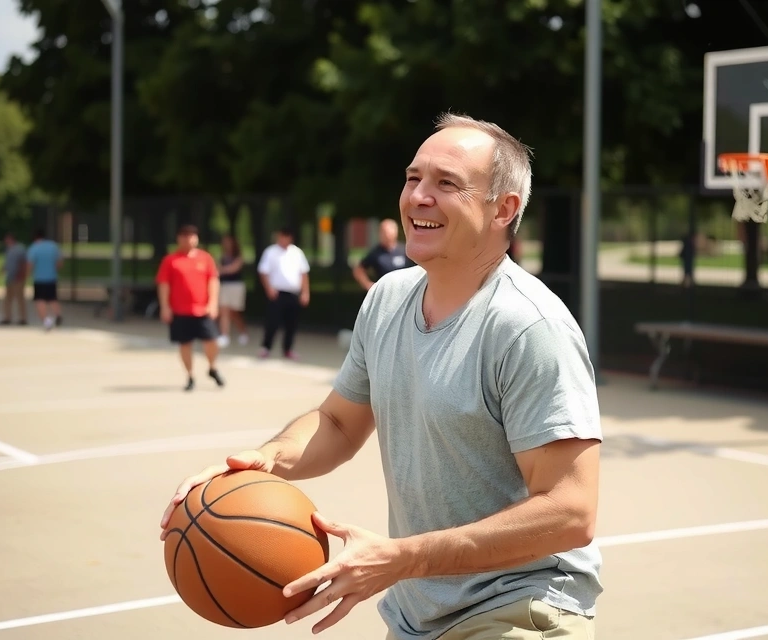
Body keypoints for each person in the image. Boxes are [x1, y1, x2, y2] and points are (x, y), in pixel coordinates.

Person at [160, 113, 603, 639]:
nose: (418, 196)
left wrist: (402, 558)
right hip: (418, 616)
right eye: (414, 178)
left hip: (518, 608)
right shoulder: (388, 299)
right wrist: (266, 461)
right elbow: (339, 423)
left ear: (503, 209)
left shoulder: (529, 327)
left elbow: (569, 512)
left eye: (446, 183)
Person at [155, 224, 225, 391]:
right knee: (185, 344)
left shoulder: (205, 258)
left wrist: (213, 303)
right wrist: (165, 306)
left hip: (202, 310)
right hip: (180, 310)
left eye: (192, 235)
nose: (189, 239)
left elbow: (213, 281)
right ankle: (190, 376)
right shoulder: (170, 260)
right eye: (185, 235)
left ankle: (212, 367)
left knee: (212, 341)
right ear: (179, 238)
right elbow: (163, 284)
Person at [256, 227, 310, 359]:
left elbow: (303, 274)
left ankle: (288, 349)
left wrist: (305, 292)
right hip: (277, 292)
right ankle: (266, 347)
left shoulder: (297, 253)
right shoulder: (270, 252)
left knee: (292, 323)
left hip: (293, 293)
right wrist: (268, 288)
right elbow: (264, 272)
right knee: (272, 321)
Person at [352, 218, 412, 290]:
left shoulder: (405, 250)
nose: (386, 235)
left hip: (404, 290)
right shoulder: (376, 253)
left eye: (388, 232)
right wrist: (368, 285)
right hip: (384, 292)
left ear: (395, 232)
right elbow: (359, 269)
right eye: (383, 232)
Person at [25, 229, 63, 330]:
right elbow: (59, 263)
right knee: (52, 298)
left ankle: (46, 321)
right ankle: (57, 314)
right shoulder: (53, 246)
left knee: (40, 300)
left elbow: (30, 264)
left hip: (39, 278)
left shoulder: (34, 248)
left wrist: (28, 275)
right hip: (51, 277)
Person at [215, 234, 249, 347]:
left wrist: (220, 270)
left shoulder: (238, 257)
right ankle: (224, 335)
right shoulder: (222, 256)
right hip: (224, 285)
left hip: (236, 286)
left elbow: (233, 269)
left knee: (234, 312)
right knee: (224, 309)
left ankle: (243, 332)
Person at [0, 232, 28, 325]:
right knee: (8, 298)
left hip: (18, 277)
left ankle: (23, 318)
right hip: (10, 277)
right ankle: (7, 317)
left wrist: (22, 274)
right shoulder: (8, 249)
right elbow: (7, 263)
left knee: (20, 298)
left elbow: (24, 262)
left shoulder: (20, 249)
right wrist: (2, 270)